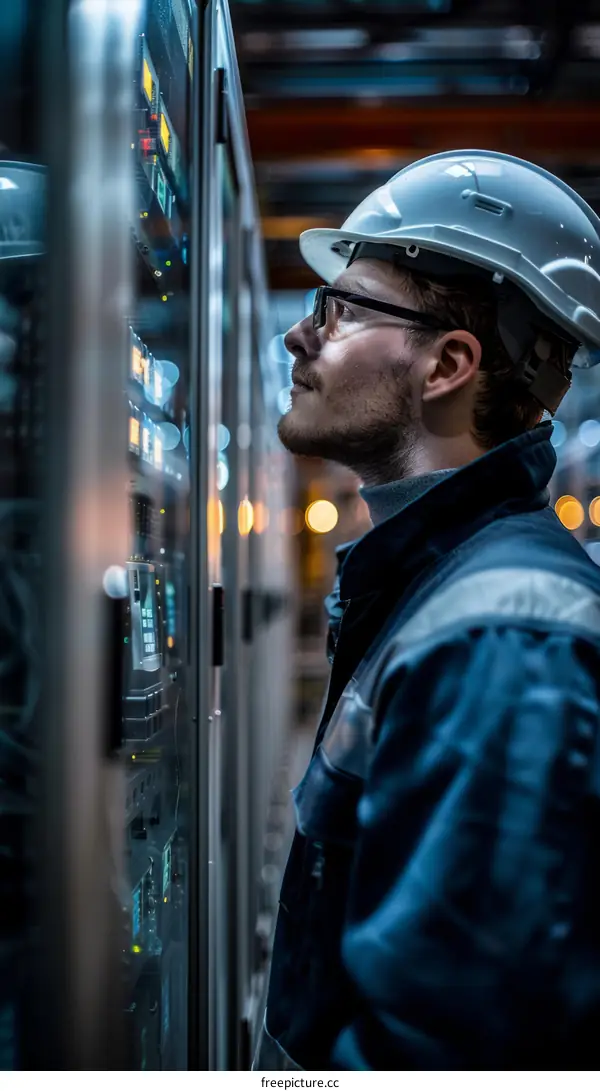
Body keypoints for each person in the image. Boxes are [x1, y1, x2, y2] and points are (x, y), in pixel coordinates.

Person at [255, 150, 600, 1072]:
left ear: (449, 363)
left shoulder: (502, 637)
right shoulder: (438, 585)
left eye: (339, 307)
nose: (301, 338)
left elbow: (450, 1041)